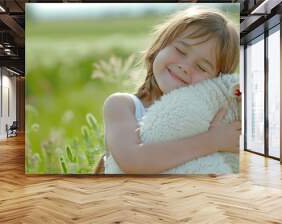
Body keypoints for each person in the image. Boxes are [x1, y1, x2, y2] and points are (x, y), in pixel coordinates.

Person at [103, 7, 240, 174]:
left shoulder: (211, 119)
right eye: (181, 51)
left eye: (201, 67)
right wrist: (213, 141)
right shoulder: (122, 105)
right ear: (159, 46)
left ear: (216, 81)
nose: (185, 67)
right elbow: (133, 161)